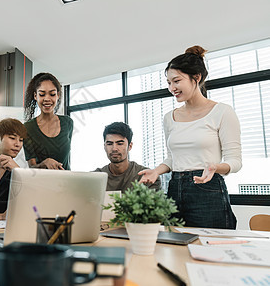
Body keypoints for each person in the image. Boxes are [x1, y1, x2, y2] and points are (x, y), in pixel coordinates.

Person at [138, 45, 242, 229]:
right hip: (174, 188)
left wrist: (215, 167)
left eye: (176, 81)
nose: (172, 88)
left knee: (211, 248)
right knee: (175, 246)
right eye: (169, 83)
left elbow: (235, 161)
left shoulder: (222, 112)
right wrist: (156, 171)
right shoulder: (170, 117)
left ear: (197, 77)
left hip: (207, 189)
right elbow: (173, 158)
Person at [23, 73, 73, 170]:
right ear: (35, 96)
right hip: (42, 182)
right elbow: (32, 166)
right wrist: (44, 163)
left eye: (52, 94)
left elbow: (67, 158)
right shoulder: (27, 128)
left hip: (66, 181)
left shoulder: (68, 122)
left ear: (58, 95)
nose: (47, 99)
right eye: (42, 94)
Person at [95, 122, 161, 192]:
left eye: (120, 144)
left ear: (130, 146)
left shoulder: (146, 176)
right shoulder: (95, 177)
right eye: (109, 144)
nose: (114, 148)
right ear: (104, 146)